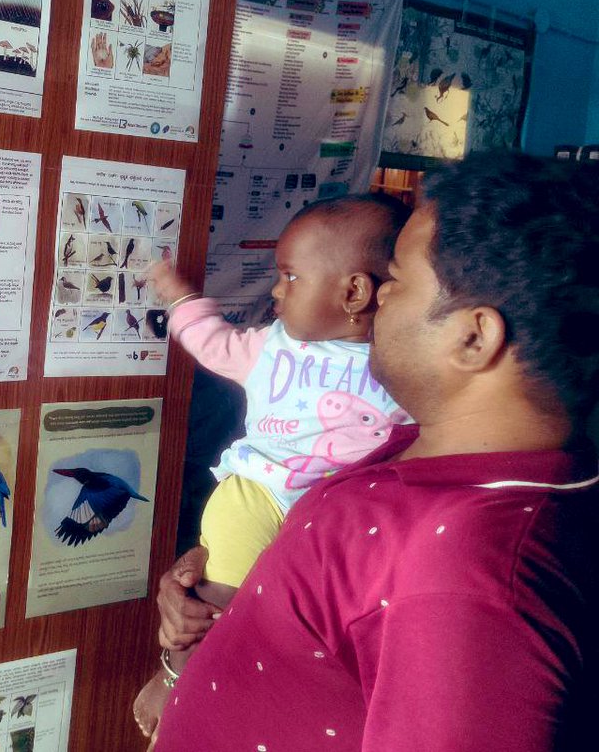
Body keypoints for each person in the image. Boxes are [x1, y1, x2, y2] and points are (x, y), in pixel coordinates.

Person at [151, 153, 599, 751]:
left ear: (474, 336)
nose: (377, 294)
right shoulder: (407, 450)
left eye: (400, 279)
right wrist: (199, 610)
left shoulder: (476, 581)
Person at [133, 193, 411, 738]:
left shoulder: (396, 363)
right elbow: (216, 344)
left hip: (331, 517)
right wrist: (183, 298)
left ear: (354, 291)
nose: (276, 291)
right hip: (256, 491)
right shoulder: (273, 345)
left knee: (263, 612)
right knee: (217, 598)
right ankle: (178, 678)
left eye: (290, 277)